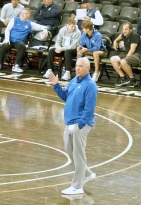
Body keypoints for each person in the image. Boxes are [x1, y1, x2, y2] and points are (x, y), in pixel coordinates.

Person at [48, 57, 97, 195]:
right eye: (76, 66)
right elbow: (66, 97)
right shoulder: (73, 81)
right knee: (70, 151)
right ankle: (86, 173)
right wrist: (56, 86)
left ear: (88, 68)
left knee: (78, 154)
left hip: (79, 125)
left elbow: (89, 108)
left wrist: (80, 124)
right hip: (69, 123)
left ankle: (77, 186)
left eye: (81, 66)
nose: (77, 68)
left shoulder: (90, 85)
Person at [111, 22, 141, 88]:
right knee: (113, 59)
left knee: (123, 61)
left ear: (131, 30)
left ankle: (133, 80)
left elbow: (132, 50)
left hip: (138, 55)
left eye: (126, 29)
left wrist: (123, 61)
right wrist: (115, 41)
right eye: (123, 29)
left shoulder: (135, 35)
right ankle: (123, 78)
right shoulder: (123, 35)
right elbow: (117, 39)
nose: (124, 31)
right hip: (128, 54)